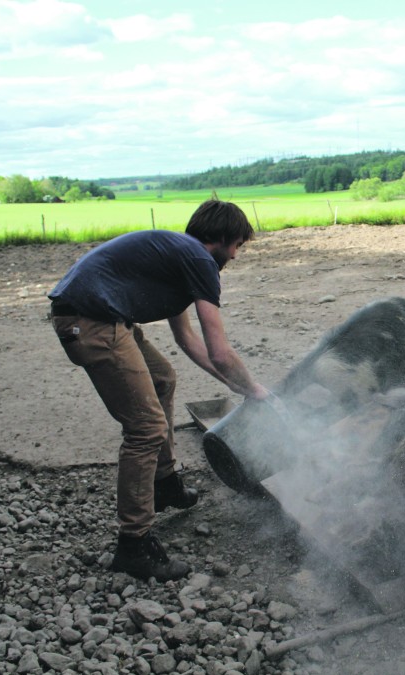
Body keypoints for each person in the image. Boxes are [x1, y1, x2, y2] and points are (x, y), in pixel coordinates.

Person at [48, 199, 271, 581]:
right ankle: (134, 546)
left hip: (102, 316)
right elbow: (220, 351)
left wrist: (239, 386)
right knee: (145, 429)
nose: (235, 256)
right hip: (92, 323)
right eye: (236, 245)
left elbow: (186, 339)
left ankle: (165, 483)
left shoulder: (176, 253)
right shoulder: (199, 261)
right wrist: (254, 390)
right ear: (219, 238)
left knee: (162, 378)